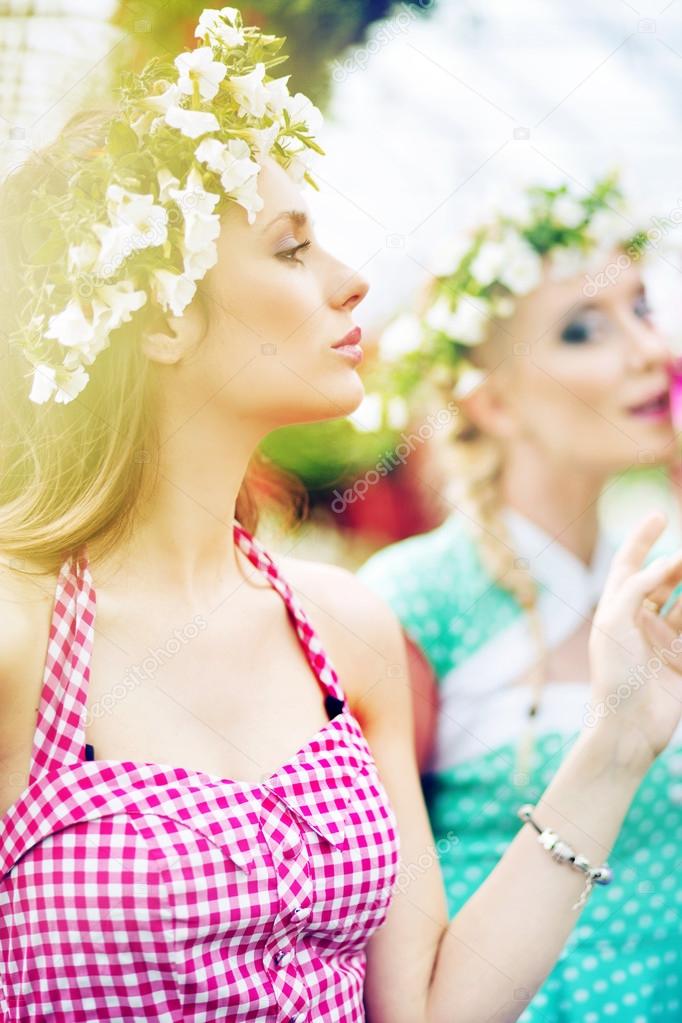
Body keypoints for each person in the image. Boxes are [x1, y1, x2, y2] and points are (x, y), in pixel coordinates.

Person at [0, 11, 681, 1021]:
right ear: (158, 317)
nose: (352, 279)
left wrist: (618, 736)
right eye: (290, 250)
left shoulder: (344, 634)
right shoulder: (20, 635)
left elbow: (432, 1012)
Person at [358, 178, 682, 1021]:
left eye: (642, 308)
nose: (650, 350)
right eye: (584, 329)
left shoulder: (661, 577)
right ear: (492, 401)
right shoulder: (410, 603)